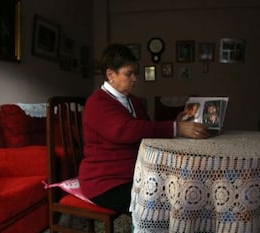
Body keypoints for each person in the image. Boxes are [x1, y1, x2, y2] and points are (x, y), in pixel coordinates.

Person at [78, 43, 209, 213]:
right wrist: (177, 128)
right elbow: (126, 130)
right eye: (129, 73)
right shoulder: (98, 103)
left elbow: (147, 128)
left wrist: (176, 121)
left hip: (134, 174)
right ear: (110, 74)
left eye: (135, 73)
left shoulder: (133, 101)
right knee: (163, 204)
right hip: (105, 182)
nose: (135, 78)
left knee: (181, 190)